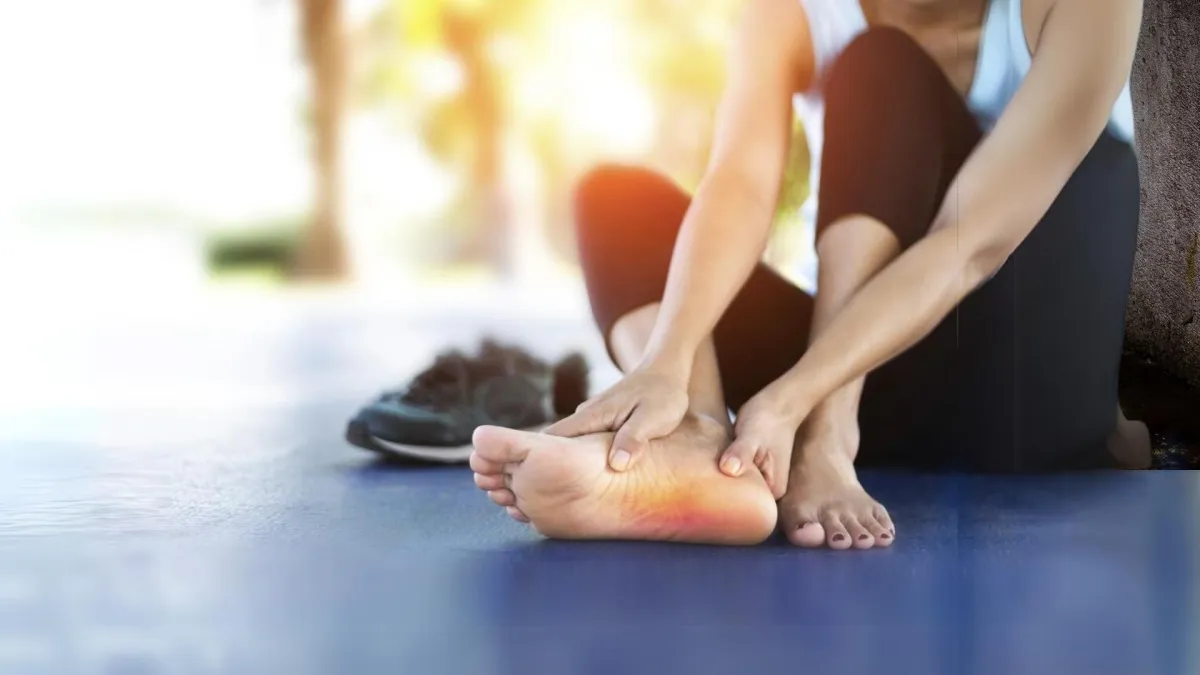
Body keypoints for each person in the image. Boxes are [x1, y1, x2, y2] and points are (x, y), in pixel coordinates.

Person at [470, 0, 1151, 549]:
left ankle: (827, 438)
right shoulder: (792, 10)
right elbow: (739, 184)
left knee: (881, 66)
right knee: (616, 201)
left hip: (1022, 398)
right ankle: (699, 445)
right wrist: (668, 359)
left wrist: (795, 404)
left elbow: (967, 244)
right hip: (878, 395)